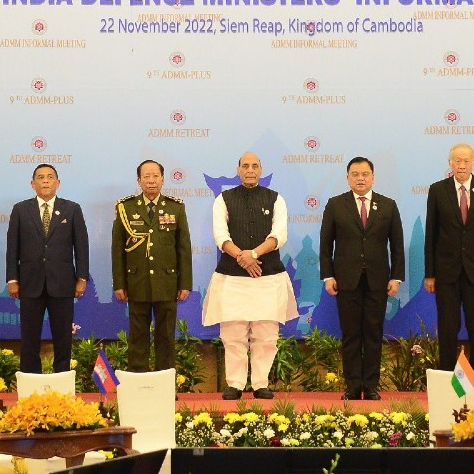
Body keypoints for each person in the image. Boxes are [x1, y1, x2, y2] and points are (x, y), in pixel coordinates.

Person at [202, 152, 298, 399]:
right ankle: (234, 384)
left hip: (268, 277)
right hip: (231, 277)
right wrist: (242, 258)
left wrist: (253, 254)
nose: (250, 170)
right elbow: (220, 236)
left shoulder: (276, 199)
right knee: (233, 334)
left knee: (266, 334)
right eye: (245, 166)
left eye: (255, 166)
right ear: (238, 170)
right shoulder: (223, 199)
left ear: (261, 169)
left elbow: (279, 235)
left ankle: (259, 383)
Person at [319, 156, 404, 400]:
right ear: (347, 178)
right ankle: (353, 387)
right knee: (351, 334)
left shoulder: (388, 205)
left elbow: (397, 245)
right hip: (346, 280)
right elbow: (326, 244)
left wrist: (396, 277)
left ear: (373, 177)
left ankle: (372, 386)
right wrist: (328, 276)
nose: (360, 178)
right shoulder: (336, 205)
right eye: (355, 174)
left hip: (378, 280)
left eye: (365, 174)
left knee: (374, 333)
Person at [424, 143, 474, 369]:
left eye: (466, 161)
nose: (461, 165)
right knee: (448, 327)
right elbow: (431, 234)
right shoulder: (438, 190)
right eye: (457, 161)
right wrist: (430, 274)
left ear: (473, 163)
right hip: (446, 273)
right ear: (450, 163)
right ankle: (447, 377)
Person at [6, 164, 90, 373]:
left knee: (63, 337)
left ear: (57, 183)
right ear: (33, 184)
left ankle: (62, 381)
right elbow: (12, 247)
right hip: (29, 283)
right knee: (29, 338)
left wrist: (81, 278)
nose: (45, 181)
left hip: (62, 283)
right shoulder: (20, 209)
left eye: (50, 177)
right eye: (40, 177)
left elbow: (81, 246)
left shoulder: (72, 209)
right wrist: (12, 279)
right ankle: (30, 381)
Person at [111, 160, 193, 372]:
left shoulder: (176, 207)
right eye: (146, 176)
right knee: (138, 336)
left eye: (155, 176)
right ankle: (138, 383)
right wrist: (119, 283)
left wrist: (185, 283)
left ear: (163, 179)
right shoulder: (125, 208)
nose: (151, 181)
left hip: (167, 283)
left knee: (166, 337)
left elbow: (183, 248)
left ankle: (164, 386)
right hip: (136, 282)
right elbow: (117, 249)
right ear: (139, 181)